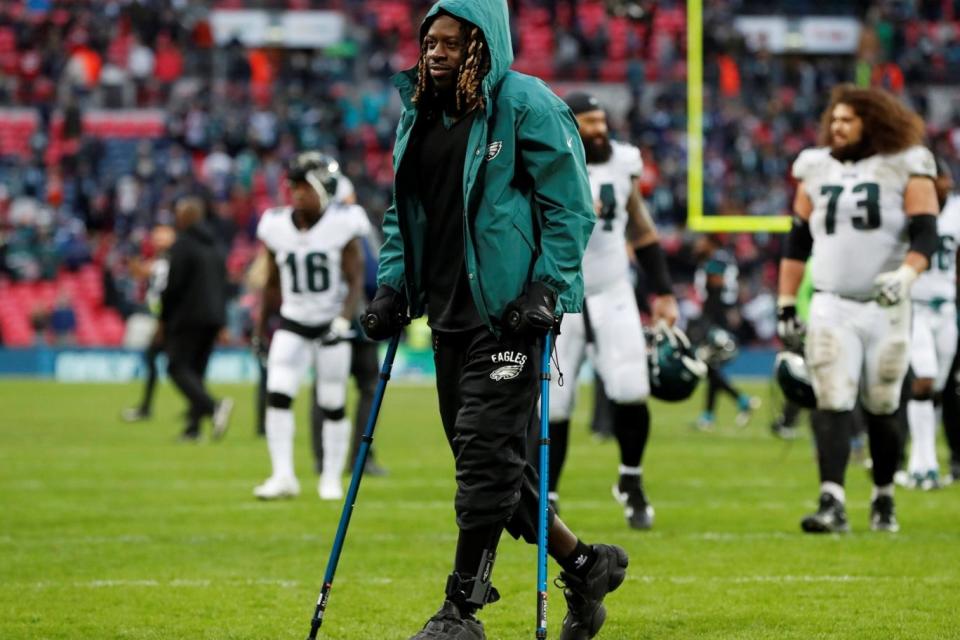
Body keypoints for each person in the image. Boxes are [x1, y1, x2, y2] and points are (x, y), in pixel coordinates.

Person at [362, 2, 627, 637]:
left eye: (452, 41)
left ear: (484, 43)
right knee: (495, 467)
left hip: (510, 316)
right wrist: (393, 285)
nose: (436, 51)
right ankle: (587, 565)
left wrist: (547, 288)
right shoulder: (419, 114)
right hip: (449, 316)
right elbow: (405, 214)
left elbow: (571, 208)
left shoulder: (528, 103)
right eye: (430, 40)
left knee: (485, 461)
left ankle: (462, 611)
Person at [777, 84, 940, 533]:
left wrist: (907, 273)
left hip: (885, 304)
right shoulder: (815, 167)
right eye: (835, 119)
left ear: (873, 121)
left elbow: (926, 232)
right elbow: (797, 241)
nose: (838, 126)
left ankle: (883, 497)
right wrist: (787, 301)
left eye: (848, 119)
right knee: (830, 399)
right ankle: (832, 501)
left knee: (883, 406)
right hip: (831, 302)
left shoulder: (906, 162)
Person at [546, 92, 678, 531]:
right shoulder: (546, 158)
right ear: (571, 126)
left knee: (631, 387)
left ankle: (631, 480)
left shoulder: (623, 162)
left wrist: (662, 291)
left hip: (611, 287)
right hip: (560, 293)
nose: (600, 129)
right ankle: (547, 494)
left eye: (602, 120)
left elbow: (640, 227)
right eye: (589, 122)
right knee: (555, 404)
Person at [252, 153, 368, 501]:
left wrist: (344, 319)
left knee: (333, 401)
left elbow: (356, 277)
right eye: (294, 187)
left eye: (305, 187)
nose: (298, 194)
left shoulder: (343, 223)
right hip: (293, 320)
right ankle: (282, 475)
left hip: (330, 322)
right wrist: (260, 328)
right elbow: (272, 282)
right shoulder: (275, 225)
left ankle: (330, 478)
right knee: (277, 393)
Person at [902, 157, 960, 489]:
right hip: (917, 307)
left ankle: (927, 462)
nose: (947, 183)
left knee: (936, 388)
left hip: (947, 309)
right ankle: (920, 464)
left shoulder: (956, 211)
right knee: (923, 380)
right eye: (942, 177)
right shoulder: (909, 210)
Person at [161, 196, 233, 441]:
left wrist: (163, 319)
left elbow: (173, 287)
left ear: (186, 217)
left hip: (188, 317)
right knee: (197, 372)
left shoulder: (182, 245)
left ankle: (214, 408)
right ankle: (193, 429)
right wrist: (222, 321)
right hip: (213, 318)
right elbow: (224, 286)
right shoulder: (216, 245)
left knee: (177, 367)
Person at [692, 235, 759, 430]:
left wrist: (707, 321)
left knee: (707, 365)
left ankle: (739, 400)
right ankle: (710, 415)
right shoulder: (723, 258)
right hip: (719, 314)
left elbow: (716, 285)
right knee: (711, 367)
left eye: (702, 240)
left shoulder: (716, 260)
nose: (698, 244)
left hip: (715, 316)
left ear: (712, 242)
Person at [122, 224, 175, 423]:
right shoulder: (163, 261)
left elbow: (141, 272)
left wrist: (134, 253)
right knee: (159, 361)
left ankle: (203, 405)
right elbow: (139, 272)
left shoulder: (167, 262)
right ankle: (147, 407)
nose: (157, 241)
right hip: (162, 317)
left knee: (177, 367)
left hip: (167, 319)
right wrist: (134, 253)